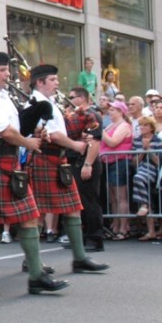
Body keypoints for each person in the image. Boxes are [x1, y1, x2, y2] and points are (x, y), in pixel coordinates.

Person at [0, 52, 69, 296]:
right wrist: (28, 143)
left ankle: (36, 276)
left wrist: (34, 131)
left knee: (30, 216)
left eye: (7, 69)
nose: (7, 74)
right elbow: (5, 132)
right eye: (2, 70)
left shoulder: (3, 96)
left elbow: (16, 127)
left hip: (9, 163)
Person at [25, 65, 108, 273]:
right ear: (40, 82)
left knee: (73, 206)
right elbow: (52, 135)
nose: (57, 83)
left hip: (58, 160)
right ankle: (31, 261)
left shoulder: (50, 102)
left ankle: (79, 258)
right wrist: (75, 145)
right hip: (45, 158)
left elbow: (60, 129)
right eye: (53, 79)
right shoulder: (36, 103)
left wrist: (79, 131)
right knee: (38, 212)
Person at [65, 87, 106, 252]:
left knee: (89, 201)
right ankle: (80, 237)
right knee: (77, 202)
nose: (69, 100)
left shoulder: (91, 115)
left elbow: (95, 141)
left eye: (72, 97)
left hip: (85, 161)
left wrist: (88, 164)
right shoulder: (74, 116)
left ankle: (95, 239)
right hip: (74, 161)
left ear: (81, 98)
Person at [100, 101, 133, 240]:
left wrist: (99, 130)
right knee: (113, 197)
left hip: (120, 162)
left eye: (113, 110)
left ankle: (124, 227)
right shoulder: (111, 125)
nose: (110, 112)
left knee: (121, 196)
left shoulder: (124, 126)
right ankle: (116, 225)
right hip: (108, 161)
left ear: (121, 112)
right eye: (110, 109)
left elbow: (113, 142)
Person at [131, 116, 162, 240]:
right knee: (145, 193)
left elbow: (158, 162)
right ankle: (151, 230)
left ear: (151, 127)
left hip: (154, 171)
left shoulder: (157, 140)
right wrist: (143, 151)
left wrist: (149, 149)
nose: (142, 128)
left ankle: (144, 205)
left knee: (137, 178)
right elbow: (134, 162)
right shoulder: (137, 141)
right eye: (140, 125)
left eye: (145, 125)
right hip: (141, 169)